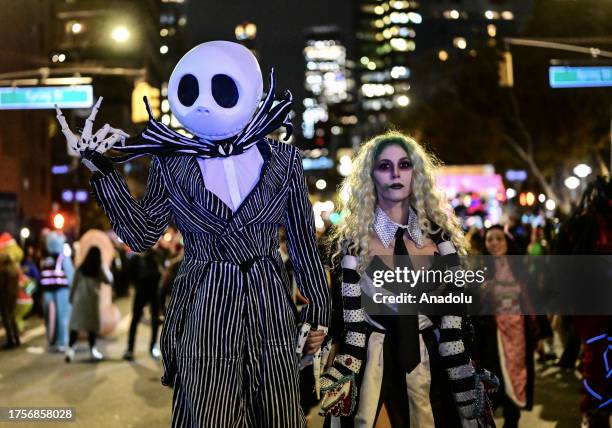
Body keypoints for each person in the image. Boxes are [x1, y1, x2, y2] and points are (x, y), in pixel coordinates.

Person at [56, 40, 330, 427]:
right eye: (191, 89)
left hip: (268, 304)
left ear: (249, 90)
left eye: (220, 87)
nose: (203, 101)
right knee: (208, 410)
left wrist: (318, 312)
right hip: (205, 304)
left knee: (277, 411)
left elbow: (303, 243)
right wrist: (103, 172)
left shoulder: (284, 161)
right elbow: (141, 234)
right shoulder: (172, 165)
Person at [321, 132, 497, 427]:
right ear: (370, 176)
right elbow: (341, 319)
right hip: (370, 368)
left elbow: (459, 319)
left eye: (404, 164)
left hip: (436, 368)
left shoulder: (442, 242)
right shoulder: (353, 246)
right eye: (384, 166)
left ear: (416, 172)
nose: (395, 173)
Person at [476, 225, 537, 428]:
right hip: (492, 337)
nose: (494, 243)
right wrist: (483, 291)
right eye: (489, 239)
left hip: (518, 336)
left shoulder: (520, 269)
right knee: (492, 385)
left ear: (508, 242)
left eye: (499, 239)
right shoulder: (480, 270)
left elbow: (531, 301)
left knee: (517, 378)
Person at [65, 246, 111, 362]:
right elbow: (108, 280)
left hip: (79, 299)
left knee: (75, 325)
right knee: (92, 326)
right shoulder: (98, 268)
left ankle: (70, 350)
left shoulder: (81, 268)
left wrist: (71, 298)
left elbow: (74, 283)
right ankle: (93, 350)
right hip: (92, 300)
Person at [123, 246, 164, 361]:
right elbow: (130, 274)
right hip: (143, 291)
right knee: (136, 319)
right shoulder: (138, 256)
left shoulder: (154, 254)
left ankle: (152, 346)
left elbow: (160, 272)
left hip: (151, 291)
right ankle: (131, 348)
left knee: (153, 319)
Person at [39, 231, 74, 352]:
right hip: (61, 290)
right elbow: (70, 275)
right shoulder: (63, 257)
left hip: (49, 291)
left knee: (51, 318)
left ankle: (54, 341)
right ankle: (61, 341)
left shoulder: (45, 258)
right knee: (61, 317)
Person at [0, 253, 20, 349]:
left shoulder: (3, 271)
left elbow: (1, 285)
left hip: (4, 297)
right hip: (13, 296)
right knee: (12, 317)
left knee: (6, 318)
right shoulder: (14, 270)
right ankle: (16, 339)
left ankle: (10, 340)